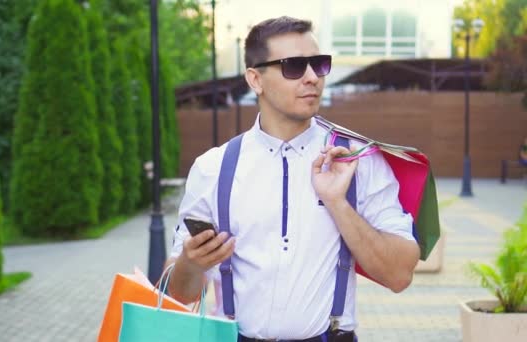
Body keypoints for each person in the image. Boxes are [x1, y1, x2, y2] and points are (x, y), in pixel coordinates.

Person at [165, 16, 420, 341]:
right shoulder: (213, 168)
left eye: (319, 64)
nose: (312, 77)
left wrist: (338, 204)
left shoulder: (357, 160)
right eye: (294, 66)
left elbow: (400, 275)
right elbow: (179, 293)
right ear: (255, 80)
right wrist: (191, 261)